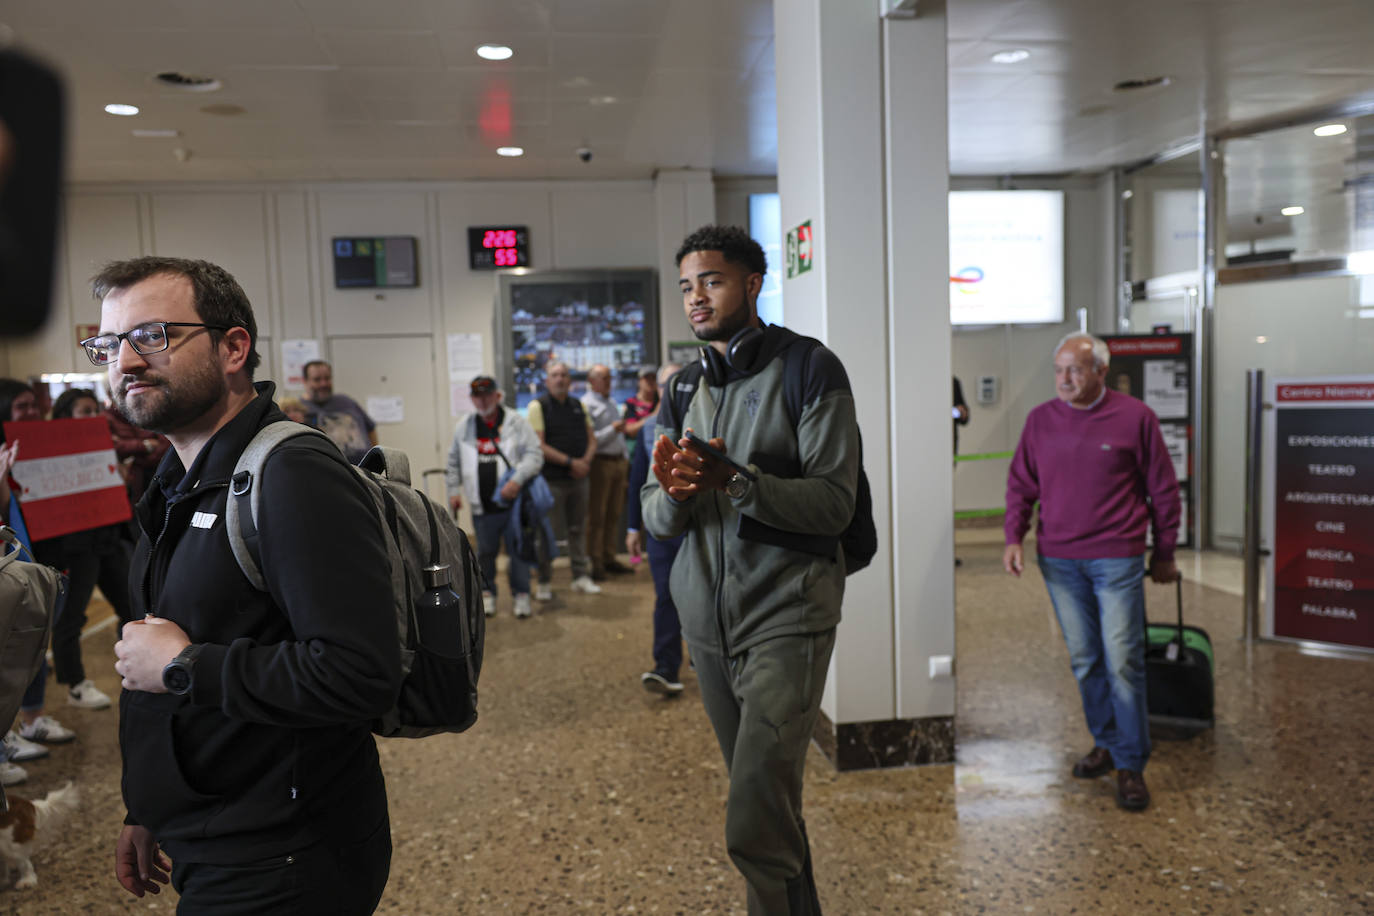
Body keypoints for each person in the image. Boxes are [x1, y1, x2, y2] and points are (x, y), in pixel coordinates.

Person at [90, 256, 400, 911]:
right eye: (110, 344)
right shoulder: (177, 481)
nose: (126, 362)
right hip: (210, 830)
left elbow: (359, 673)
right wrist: (149, 804)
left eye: (152, 336)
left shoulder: (292, 474)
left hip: (284, 854)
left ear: (234, 348)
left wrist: (185, 667)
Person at [641, 225, 858, 914]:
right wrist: (674, 495)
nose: (695, 297)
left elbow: (834, 504)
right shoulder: (681, 391)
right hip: (706, 625)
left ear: (753, 283)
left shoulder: (809, 369)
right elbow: (654, 515)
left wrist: (737, 480)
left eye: (711, 280)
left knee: (754, 810)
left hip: (786, 616)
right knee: (769, 802)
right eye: (685, 286)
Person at [1003, 332, 1181, 813]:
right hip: (1059, 560)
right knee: (1085, 658)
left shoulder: (1134, 418)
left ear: (1102, 372)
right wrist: (1013, 538)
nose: (1064, 379)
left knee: (1123, 659)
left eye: (1075, 370)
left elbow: (1163, 491)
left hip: (1116, 556)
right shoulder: (1040, 421)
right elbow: (1022, 484)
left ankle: (1131, 765)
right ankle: (1106, 741)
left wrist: (1164, 552)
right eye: (1059, 370)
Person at [33, 389, 132, 704]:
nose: (93, 417)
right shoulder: (48, 452)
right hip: (76, 546)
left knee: (132, 608)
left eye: (95, 410)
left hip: (109, 539)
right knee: (72, 617)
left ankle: (133, 667)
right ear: (65, 417)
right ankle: (75, 683)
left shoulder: (105, 446)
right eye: (84, 411)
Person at [0, 379, 77, 769]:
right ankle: (6, 735)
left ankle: (30, 721)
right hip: (11, 569)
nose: (31, 412)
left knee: (34, 642)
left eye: (34, 405)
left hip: (44, 561)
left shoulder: (47, 445)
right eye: (21, 406)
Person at [446, 375, 543, 619]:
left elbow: (534, 455)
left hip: (514, 505)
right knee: (486, 552)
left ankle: (521, 594)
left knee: (517, 551)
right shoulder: (464, 427)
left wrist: (516, 480)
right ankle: (487, 594)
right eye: (477, 396)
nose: (482, 400)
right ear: (472, 399)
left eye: (487, 395)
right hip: (483, 506)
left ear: (497, 396)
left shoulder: (515, 422)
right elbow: (454, 462)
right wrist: (453, 491)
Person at [625, 363, 685, 696]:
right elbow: (638, 480)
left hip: (699, 527)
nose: (672, 389)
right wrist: (634, 526)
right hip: (662, 527)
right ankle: (666, 666)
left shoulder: (708, 417)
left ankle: (703, 655)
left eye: (678, 381)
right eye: (665, 384)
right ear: (657, 390)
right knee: (666, 594)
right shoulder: (649, 427)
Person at [526, 361, 601, 599]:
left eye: (564, 375)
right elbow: (539, 444)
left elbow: (592, 439)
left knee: (578, 529)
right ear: (547, 380)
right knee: (547, 532)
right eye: (555, 375)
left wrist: (585, 462)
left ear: (570, 380)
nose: (560, 379)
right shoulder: (538, 406)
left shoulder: (578, 405)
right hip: (551, 481)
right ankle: (545, 581)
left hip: (579, 479)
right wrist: (571, 462)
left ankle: (580, 576)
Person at [581, 364, 631, 580]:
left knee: (614, 514)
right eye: (603, 377)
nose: (609, 381)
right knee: (597, 516)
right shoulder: (587, 404)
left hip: (618, 463)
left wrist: (626, 461)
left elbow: (619, 437)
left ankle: (609, 557)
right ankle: (595, 562)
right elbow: (591, 440)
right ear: (592, 381)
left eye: (609, 377)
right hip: (600, 463)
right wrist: (613, 429)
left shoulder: (610, 401)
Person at [301, 359, 378, 463]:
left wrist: (375, 458)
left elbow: (370, 429)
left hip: (365, 471)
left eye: (327, 378)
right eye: (317, 379)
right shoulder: (298, 409)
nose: (323, 384)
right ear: (305, 381)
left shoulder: (346, 401)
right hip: (331, 472)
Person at [622, 366, 659, 446]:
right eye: (647, 378)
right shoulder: (630, 403)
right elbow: (630, 430)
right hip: (638, 448)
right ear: (639, 381)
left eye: (653, 378)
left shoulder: (660, 402)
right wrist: (654, 416)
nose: (650, 381)